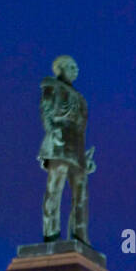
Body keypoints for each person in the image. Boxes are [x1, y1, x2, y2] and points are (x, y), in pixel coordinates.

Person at [38, 55, 96, 244]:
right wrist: (52, 131)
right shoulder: (51, 86)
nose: (76, 70)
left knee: (81, 194)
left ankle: (80, 235)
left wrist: (84, 156)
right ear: (60, 68)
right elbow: (46, 111)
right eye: (72, 66)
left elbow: (80, 127)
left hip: (77, 147)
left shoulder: (79, 97)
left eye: (76, 66)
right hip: (59, 141)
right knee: (55, 187)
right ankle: (51, 233)